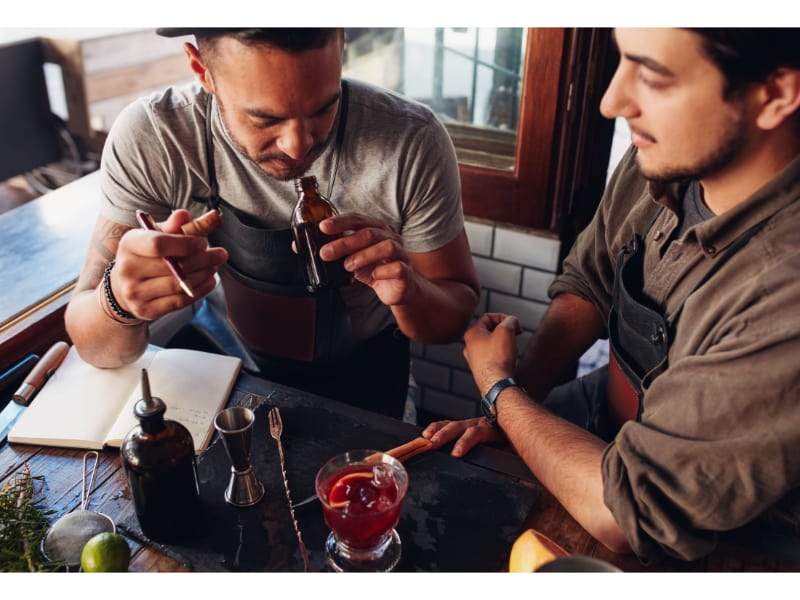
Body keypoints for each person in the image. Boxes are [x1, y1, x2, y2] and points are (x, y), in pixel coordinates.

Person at [423, 28, 800, 564]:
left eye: (652, 75)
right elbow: (589, 283)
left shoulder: (783, 289)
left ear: (775, 95)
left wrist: (498, 389)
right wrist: (509, 409)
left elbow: (634, 512)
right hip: (609, 413)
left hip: (733, 532)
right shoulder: (671, 159)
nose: (611, 102)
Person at [65, 28, 479, 420]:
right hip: (227, 375)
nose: (298, 146)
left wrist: (410, 291)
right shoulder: (159, 138)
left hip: (369, 381)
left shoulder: (410, 139)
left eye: (324, 109)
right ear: (201, 70)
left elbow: (452, 318)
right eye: (265, 120)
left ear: (341, 48)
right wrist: (118, 300)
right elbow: (94, 346)